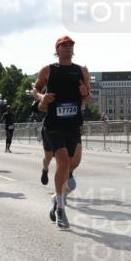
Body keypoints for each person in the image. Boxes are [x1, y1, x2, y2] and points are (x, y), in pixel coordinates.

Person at [32, 35, 91, 229]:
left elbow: (87, 97)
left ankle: (56, 200)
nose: (68, 48)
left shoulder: (81, 71)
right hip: (54, 124)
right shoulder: (48, 70)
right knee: (63, 161)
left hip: (72, 124)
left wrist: (84, 93)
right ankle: (61, 208)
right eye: (64, 45)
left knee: (71, 164)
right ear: (57, 49)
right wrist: (42, 96)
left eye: (70, 45)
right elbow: (35, 89)